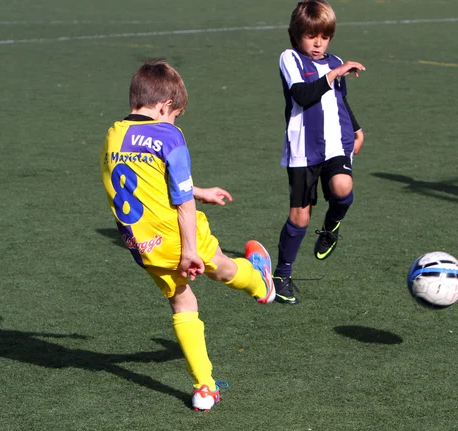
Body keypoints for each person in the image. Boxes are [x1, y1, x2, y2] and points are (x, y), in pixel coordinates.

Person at [100, 60, 275, 411]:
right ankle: (262, 285)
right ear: (165, 106)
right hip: (178, 236)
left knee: (182, 301)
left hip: (143, 245)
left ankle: (204, 388)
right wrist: (190, 250)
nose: (176, 121)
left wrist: (199, 190)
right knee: (221, 267)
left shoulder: (114, 132)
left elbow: (147, 179)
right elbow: (180, 203)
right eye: (176, 114)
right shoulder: (169, 135)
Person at [272, 0, 366, 305]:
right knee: (299, 217)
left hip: (336, 142)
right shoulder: (290, 59)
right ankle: (282, 275)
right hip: (302, 149)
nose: (318, 42)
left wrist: (356, 128)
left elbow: (340, 101)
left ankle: (330, 228)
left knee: (343, 186)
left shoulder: (334, 60)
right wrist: (334, 72)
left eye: (324, 36)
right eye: (311, 35)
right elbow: (302, 95)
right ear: (297, 34)